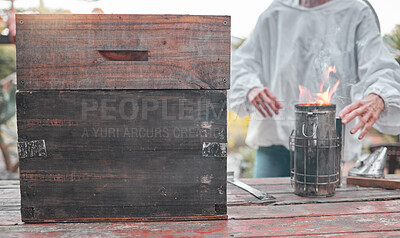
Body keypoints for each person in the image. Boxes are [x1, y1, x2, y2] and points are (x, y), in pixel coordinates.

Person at [229, 0, 400, 178]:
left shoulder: (356, 12)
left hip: (327, 147)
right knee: (265, 203)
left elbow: (381, 68)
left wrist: (379, 95)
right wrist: (250, 88)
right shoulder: (276, 12)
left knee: (320, 204)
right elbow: (241, 64)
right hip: (275, 144)